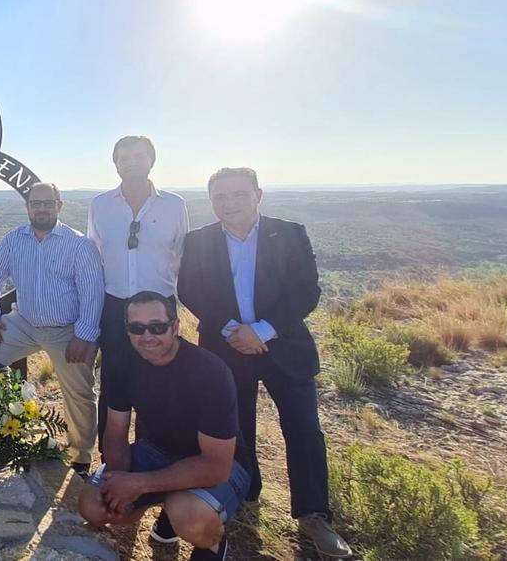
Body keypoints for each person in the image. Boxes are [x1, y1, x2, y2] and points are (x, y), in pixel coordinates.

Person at [177, 167, 351, 558]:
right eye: (220, 197)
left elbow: (307, 291)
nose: (229, 203)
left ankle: (313, 516)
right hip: (226, 348)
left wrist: (263, 330)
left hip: (285, 347)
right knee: (237, 430)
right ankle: (245, 496)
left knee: (304, 429)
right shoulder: (199, 240)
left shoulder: (289, 233)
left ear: (258, 195)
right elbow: (190, 289)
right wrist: (233, 330)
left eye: (239, 195)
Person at [78, 291, 250, 561]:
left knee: (189, 516)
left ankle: (212, 543)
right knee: (92, 505)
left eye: (157, 327)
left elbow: (216, 465)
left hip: (221, 465)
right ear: (127, 330)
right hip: (155, 452)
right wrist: (118, 481)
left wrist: (139, 484)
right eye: (136, 328)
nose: (147, 336)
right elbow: (115, 434)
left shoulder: (210, 372)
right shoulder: (121, 364)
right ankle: (168, 506)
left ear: (176, 326)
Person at [0, 182, 104, 476]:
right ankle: (8, 419)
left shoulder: (79, 245)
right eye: (36, 203)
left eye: (48, 203)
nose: (41, 208)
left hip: (67, 330)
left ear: (59, 206)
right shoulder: (13, 240)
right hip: (25, 323)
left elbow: (92, 293)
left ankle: (81, 455)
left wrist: (83, 336)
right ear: (27, 207)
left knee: (79, 393)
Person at [86, 136, 188, 455]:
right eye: (123, 157)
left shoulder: (174, 205)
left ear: (152, 160)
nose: (131, 162)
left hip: (160, 307)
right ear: (115, 163)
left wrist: (176, 309)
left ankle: (152, 455)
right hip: (114, 304)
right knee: (113, 381)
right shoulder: (100, 206)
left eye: (138, 156)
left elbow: (182, 256)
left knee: (157, 383)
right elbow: (93, 256)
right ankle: (110, 458)